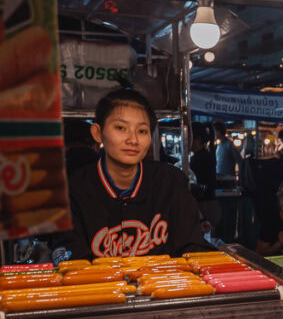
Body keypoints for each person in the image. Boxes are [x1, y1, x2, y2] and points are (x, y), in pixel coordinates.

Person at [54, 88, 208, 258]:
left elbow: (192, 245)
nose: (133, 140)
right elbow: (69, 256)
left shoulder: (170, 182)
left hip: (162, 283)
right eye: (121, 128)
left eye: (142, 131)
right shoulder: (73, 191)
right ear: (98, 133)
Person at [189, 122, 216, 202]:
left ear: (198, 139)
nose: (185, 141)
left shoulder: (200, 158)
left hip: (204, 204)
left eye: (188, 137)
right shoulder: (204, 155)